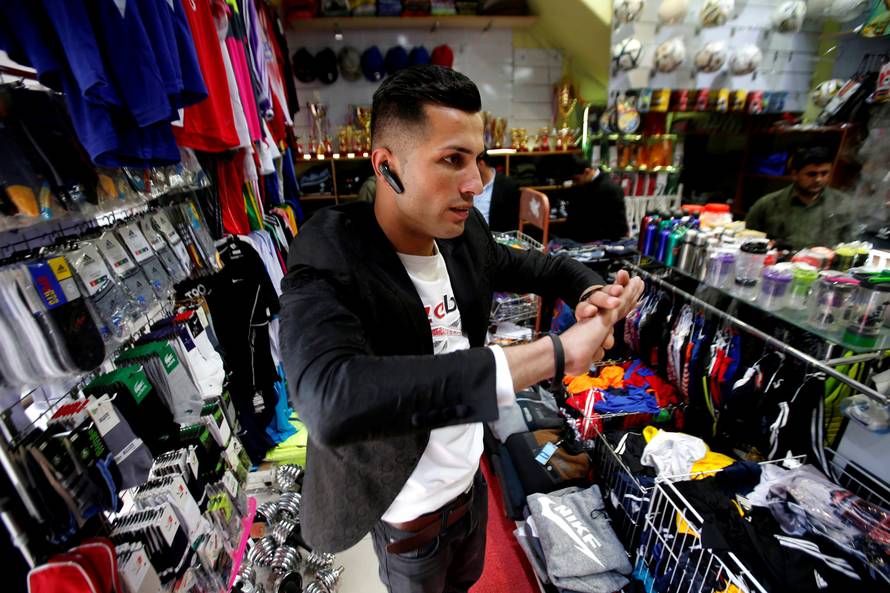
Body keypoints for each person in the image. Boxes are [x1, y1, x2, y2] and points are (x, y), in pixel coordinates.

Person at [279, 65, 643, 593]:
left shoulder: (461, 231)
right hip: (407, 509)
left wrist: (594, 294)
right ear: (387, 166)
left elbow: (547, 267)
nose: (475, 183)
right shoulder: (332, 250)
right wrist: (555, 354)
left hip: (470, 486)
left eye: (477, 160)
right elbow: (330, 399)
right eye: (452, 160)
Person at [745, 146, 856, 250]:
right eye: (811, 174)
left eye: (824, 173)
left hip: (825, 268)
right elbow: (746, 242)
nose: (819, 180)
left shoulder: (842, 204)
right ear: (795, 174)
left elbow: (850, 246)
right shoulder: (768, 204)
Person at [558, 155, 629, 243]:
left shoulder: (611, 190)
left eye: (576, 179)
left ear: (587, 172)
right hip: (576, 241)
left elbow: (619, 227)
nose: (574, 183)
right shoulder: (580, 185)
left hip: (600, 244)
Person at [474, 154, 521, 231]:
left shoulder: (508, 186)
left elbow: (512, 223)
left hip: (493, 238)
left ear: (480, 164)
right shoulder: (468, 183)